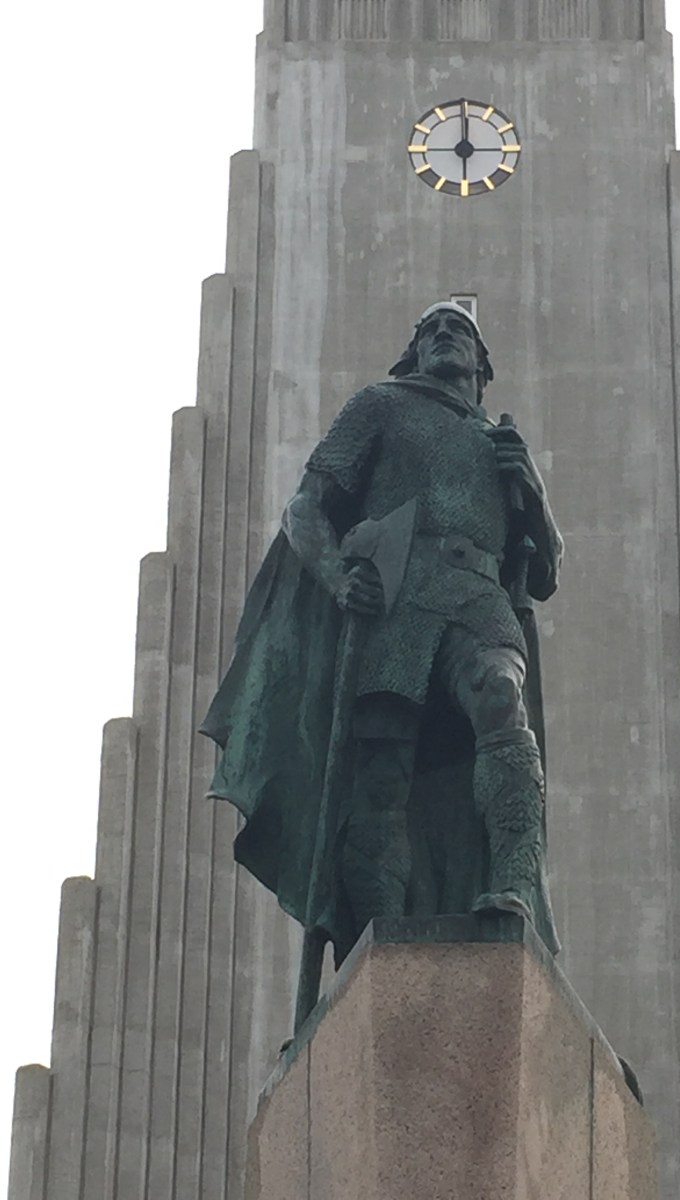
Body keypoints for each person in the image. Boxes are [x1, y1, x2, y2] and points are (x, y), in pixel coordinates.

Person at [201, 302, 563, 970]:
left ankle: (512, 881)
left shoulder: (500, 442)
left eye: (458, 330)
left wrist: (533, 492)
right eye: (430, 330)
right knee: (381, 774)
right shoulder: (380, 405)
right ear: (414, 352)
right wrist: (338, 577)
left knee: (499, 695)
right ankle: (379, 935)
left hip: (479, 597)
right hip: (399, 602)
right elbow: (306, 507)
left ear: (482, 365)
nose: (444, 335)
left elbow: (543, 573)